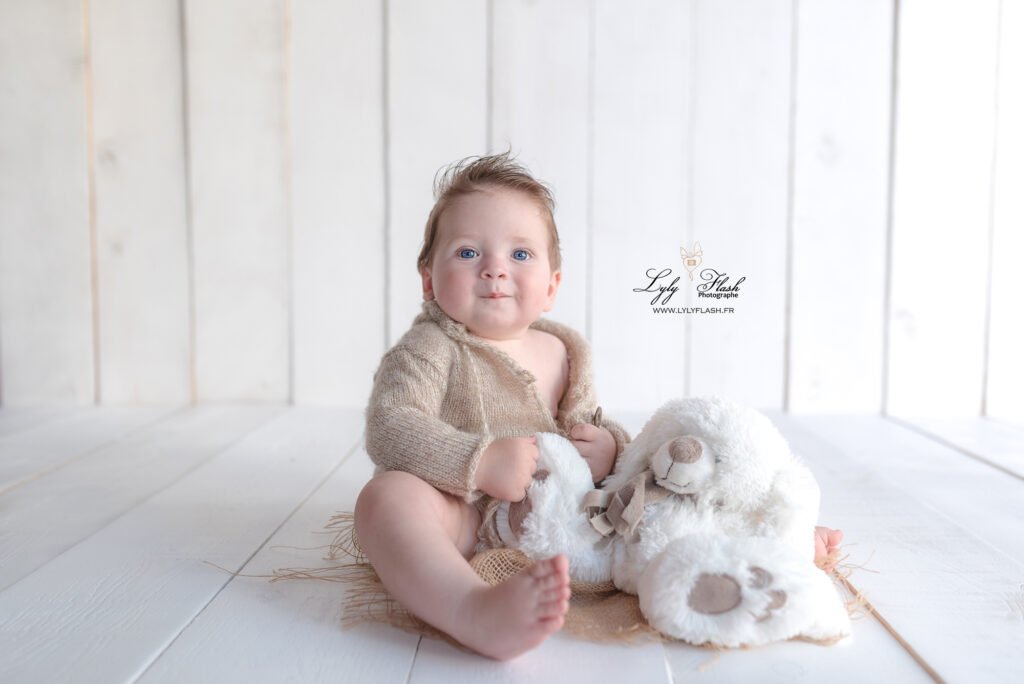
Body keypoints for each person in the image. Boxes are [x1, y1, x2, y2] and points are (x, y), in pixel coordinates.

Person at [354, 152, 842, 661]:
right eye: (467, 252)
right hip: (468, 516)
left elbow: (594, 431)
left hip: (576, 522)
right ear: (428, 279)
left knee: (672, 481)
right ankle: (470, 607)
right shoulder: (429, 348)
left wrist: (610, 450)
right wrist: (478, 461)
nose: (495, 268)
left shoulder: (565, 352)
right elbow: (391, 425)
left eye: (520, 255)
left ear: (551, 287)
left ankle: (777, 536)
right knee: (386, 498)